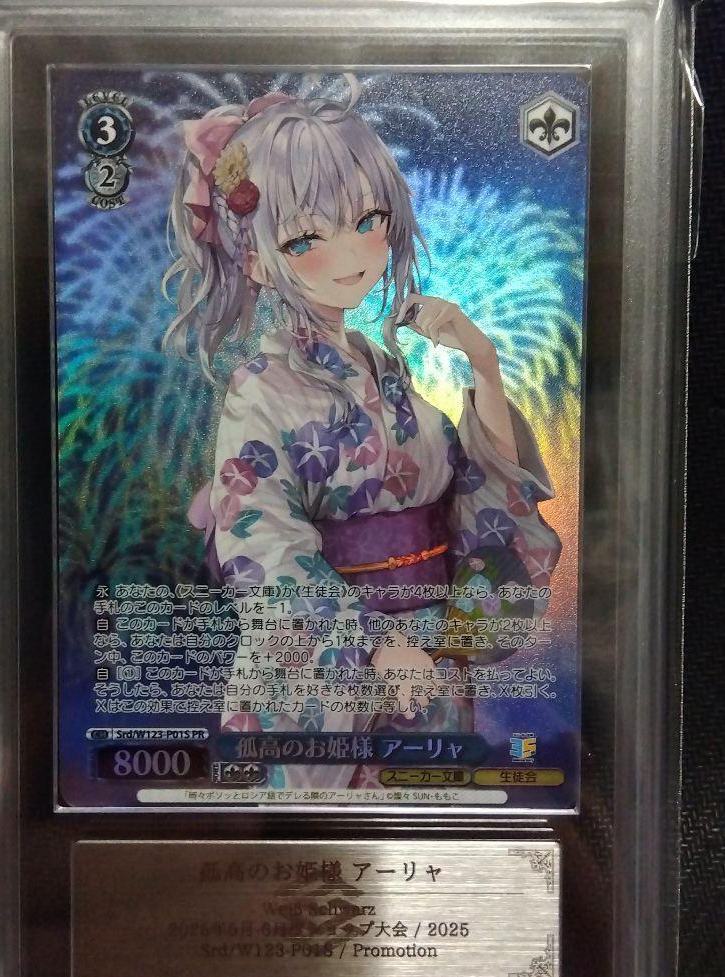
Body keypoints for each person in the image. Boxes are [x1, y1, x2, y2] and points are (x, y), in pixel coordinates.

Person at [165, 78, 560, 791]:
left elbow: (474, 493)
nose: (351, 252)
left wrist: (484, 363)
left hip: (428, 658)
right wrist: (375, 645)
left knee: (427, 833)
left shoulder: (384, 366)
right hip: (326, 673)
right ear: (256, 260)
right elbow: (264, 548)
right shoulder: (260, 388)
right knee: (318, 838)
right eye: (306, 237)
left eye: (367, 219)